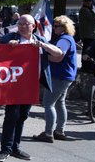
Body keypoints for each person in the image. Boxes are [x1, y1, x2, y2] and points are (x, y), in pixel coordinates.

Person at [0, 14, 62, 162]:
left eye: (25, 24)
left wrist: (43, 46)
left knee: (22, 116)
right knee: (11, 116)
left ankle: (15, 147)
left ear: (33, 26)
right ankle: (6, 149)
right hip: (12, 86)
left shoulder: (38, 40)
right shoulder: (12, 37)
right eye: (20, 23)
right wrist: (8, 45)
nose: (22, 26)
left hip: (30, 86)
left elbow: (58, 53)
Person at [33, 15, 77, 143]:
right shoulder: (68, 38)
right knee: (60, 103)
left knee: (48, 103)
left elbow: (58, 58)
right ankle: (59, 131)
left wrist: (44, 57)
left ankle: (48, 133)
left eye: (56, 26)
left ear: (63, 27)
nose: (53, 28)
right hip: (66, 75)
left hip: (60, 76)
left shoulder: (64, 40)